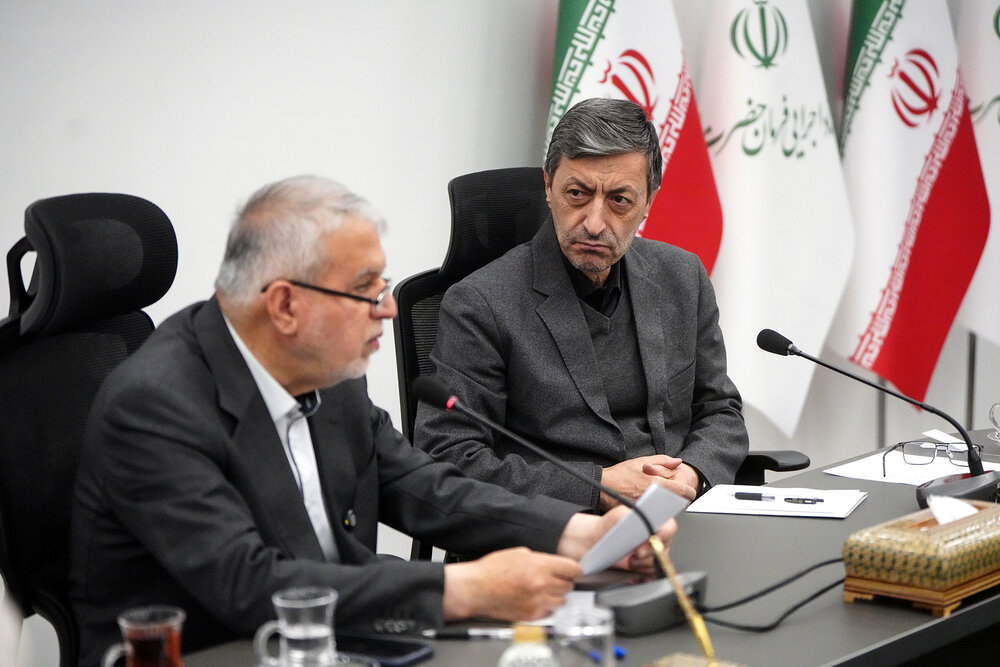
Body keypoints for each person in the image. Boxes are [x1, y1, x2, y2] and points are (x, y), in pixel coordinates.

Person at [69, 175, 676, 666]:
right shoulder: (154, 406)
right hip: (215, 650)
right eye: (366, 289)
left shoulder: (327, 373)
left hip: (334, 637)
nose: (388, 308)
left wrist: (579, 534)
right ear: (285, 305)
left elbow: (421, 485)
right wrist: (465, 588)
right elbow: (246, 585)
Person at [414, 98, 749, 511]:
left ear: (649, 201)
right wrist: (599, 486)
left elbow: (720, 409)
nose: (593, 223)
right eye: (577, 194)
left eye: (619, 200)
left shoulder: (682, 278)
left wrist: (692, 475)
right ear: (548, 187)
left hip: (681, 516)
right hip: (559, 530)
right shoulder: (481, 303)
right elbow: (449, 457)